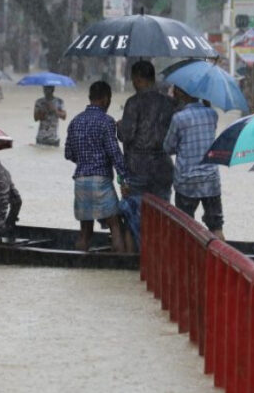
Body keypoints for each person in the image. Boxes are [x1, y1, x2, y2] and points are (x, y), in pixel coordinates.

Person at [65, 81, 129, 252]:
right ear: (106, 99)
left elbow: (68, 154)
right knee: (115, 225)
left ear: (90, 97)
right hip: (101, 181)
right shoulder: (106, 121)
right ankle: (121, 265)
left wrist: (86, 160)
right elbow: (114, 153)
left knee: (85, 231)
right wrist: (125, 179)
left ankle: (80, 265)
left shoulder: (74, 122)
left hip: (80, 181)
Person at [163, 85, 224, 239]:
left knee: (185, 228)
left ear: (182, 93)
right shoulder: (212, 114)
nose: (173, 92)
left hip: (186, 182)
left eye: (176, 89)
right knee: (216, 226)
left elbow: (167, 147)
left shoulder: (178, 118)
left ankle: (187, 261)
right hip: (211, 180)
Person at [117, 60, 176, 201]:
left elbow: (126, 135)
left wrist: (119, 126)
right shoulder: (169, 102)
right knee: (161, 216)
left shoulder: (133, 102)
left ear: (137, 78)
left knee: (136, 216)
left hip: (138, 168)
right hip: (163, 168)